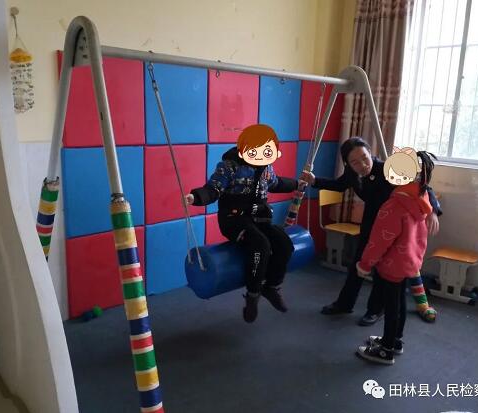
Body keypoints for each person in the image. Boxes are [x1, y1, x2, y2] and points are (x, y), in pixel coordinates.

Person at [300, 137, 441, 325]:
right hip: (370, 223)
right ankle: (344, 304)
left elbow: (424, 188)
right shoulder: (352, 173)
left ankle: (375, 310)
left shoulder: (386, 169)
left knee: (382, 272)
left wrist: (433, 212)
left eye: (364, 158)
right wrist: (314, 181)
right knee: (357, 265)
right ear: (348, 164)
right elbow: (339, 185)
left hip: (393, 227)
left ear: (370, 153)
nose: (362, 165)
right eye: (354, 162)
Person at [185, 124, 298, 323]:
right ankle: (253, 294)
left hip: (259, 219)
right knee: (261, 245)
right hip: (234, 220)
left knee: (284, 244)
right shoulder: (229, 167)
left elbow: (276, 183)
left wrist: (297, 184)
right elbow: (213, 189)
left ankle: (271, 287)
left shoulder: (266, 168)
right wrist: (196, 197)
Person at [355, 151, 437, 365]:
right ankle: (395, 340)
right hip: (409, 260)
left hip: (392, 265)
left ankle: (386, 350)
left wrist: (365, 264)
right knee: (399, 302)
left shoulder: (394, 206)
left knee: (391, 306)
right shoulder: (421, 197)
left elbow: (379, 241)